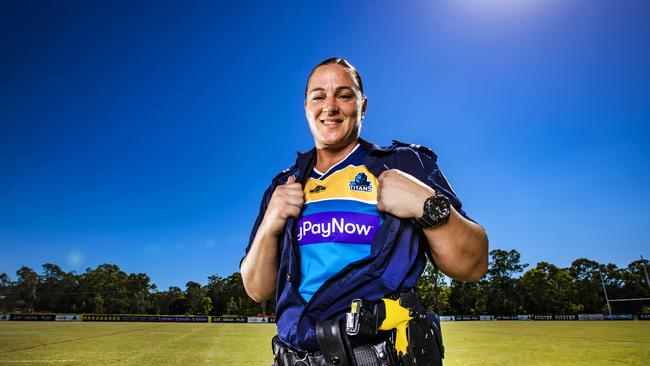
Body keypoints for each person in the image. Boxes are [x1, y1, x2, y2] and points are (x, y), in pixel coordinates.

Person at [240, 57, 488, 365]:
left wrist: (427, 205)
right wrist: (269, 225)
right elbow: (257, 289)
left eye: (344, 95)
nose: (330, 107)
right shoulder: (284, 185)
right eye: (319, 96)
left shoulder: (404, 165)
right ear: (306, 107)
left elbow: (473, 264)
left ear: (363, 106)